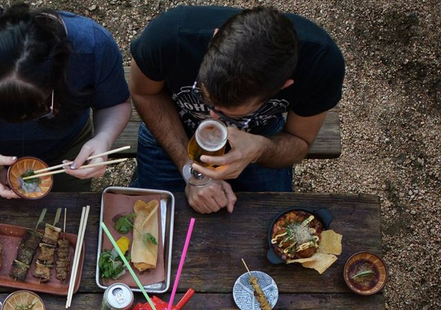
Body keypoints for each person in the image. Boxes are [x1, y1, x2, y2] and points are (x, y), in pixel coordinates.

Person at [129, 5, 345, 214]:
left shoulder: (320, 64)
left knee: (267, 223)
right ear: (214, 38)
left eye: (227, 112)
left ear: (282, 86)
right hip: (173, 123)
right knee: (150, 217)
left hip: (261, 135)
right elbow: (144, 93)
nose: (213, 117)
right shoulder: (170, 36)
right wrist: (190, 171)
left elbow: (300, 141)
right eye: (206, 98)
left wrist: (261, 149)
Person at [0, 3, 131, 199]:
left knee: (68, 214)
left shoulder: (91, 46)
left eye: (40, 110)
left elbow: (114, 104)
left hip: (66, 149)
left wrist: (103, 139)